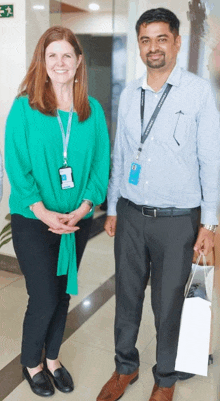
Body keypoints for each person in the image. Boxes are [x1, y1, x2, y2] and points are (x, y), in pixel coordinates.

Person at [96, 8, 220, 401]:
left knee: (168, 304)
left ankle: (164, 378)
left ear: (177, 42)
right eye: (146, 40)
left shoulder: (198, 92)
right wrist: (113, 206)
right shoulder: (130, 92)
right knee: (127, 297)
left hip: (177, 221)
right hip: (131, 215)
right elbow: (121, 155)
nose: (154, 47)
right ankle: (124, 368)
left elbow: (211, 160)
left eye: (161, 38)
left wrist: (210, 224)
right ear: (139, 45)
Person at [5, 26, 110, 397]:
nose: (60, 62)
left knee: (64, 293)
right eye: (53, 56)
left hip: (77, 220)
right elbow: (16, 166)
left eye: (68, 55)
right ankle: (31, 361)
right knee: (45, 295)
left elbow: (100, 165)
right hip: (34, 220)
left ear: (79, 62)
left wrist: (83, 208)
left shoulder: (91, 110)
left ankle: (53, 358)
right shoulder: (24, 107)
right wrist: (44, 211)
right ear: (43, 62)